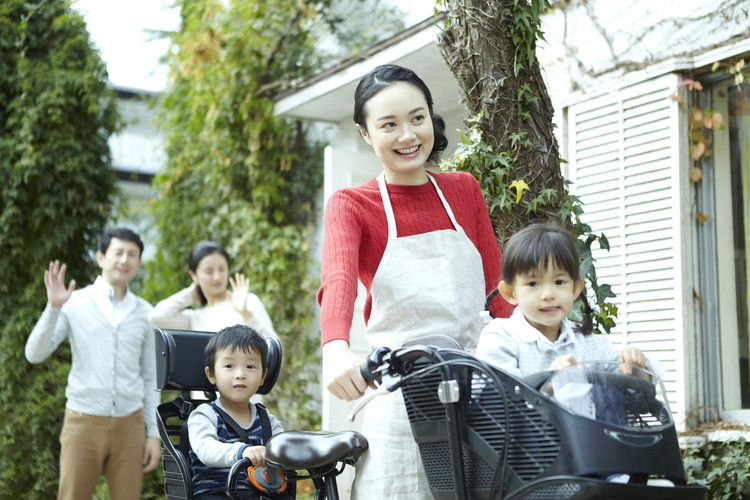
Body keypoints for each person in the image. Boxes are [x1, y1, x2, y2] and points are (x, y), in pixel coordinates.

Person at [318, 64, 513, 499]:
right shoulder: (351, 204)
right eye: (389, 124)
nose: (407, 135)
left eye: (417, 118)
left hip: (480, 389)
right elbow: (338, 281)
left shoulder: (464, 190)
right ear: (366, 133)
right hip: (399, 397)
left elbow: (500, 293)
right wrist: (335, 351)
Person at [24, 227, 160, 500]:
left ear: (139, 262)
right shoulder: (74, 302)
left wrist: (154, 434)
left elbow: (150, 375)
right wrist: (53, 308)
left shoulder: (146, 312)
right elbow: (34, 354)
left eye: (132, 254)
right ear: (101, 257)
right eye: (117, 252)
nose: (124, 260)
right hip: (83, 420)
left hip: (129, 424)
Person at [476, 222, 660, 379]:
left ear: (575, 289)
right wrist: (550, 382)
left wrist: (635, 366)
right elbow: (496, 405)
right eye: (533, 283)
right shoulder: (500, 337)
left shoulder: (590, 343)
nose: (548, 294)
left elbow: (631, 394)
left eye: (559, 282)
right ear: (510, 292)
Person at [188, 324, 284, 499]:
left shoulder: (266, 419)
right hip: (216, 492)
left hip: (260, 492)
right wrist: (241, 451)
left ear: (263, 376)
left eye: (250, 367)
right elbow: (205, 449)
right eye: (230, 366)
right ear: (211, 375)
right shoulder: (204, 415)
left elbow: (285, 447)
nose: (240, 374)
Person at [149, 240, 276, 338]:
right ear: (194, 275)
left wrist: (247, 315)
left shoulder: (247, 302)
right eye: (209, 271)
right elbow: (157, 316)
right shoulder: (194, 318)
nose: (217, 277)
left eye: (222, 269)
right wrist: (190, 294)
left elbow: (274, 348)